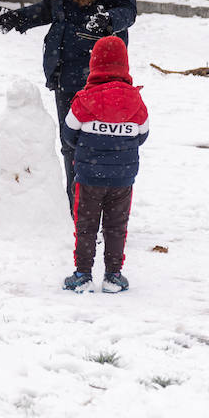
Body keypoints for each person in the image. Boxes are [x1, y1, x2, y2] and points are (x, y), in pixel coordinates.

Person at [0, 0, 137, 210]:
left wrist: (107, 20)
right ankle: (77, 210)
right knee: (70, 143)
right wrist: (17, 18)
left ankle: (99, 207)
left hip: (99, 70)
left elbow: (128, 9)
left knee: (97, 143)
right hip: (65, 66)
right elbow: (52, 8)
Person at [60, 35, 149, 294]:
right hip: (122, 179)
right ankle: (113, 275)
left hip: (89, 177)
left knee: (86, 225)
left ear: (94, 64)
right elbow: (142, 134)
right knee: (116, 227)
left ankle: (83, 274)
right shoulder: (135, 101)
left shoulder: (85, 99)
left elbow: (69, 133)